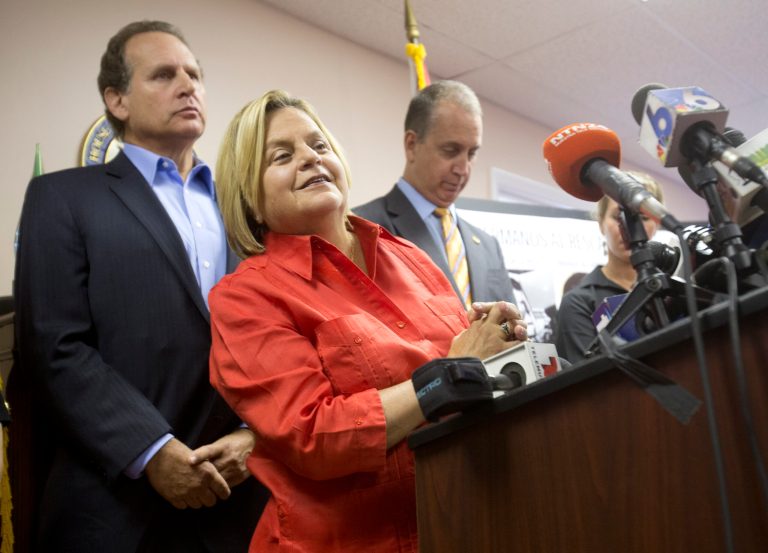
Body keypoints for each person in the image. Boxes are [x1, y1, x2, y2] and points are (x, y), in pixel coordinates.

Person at [210, 90, 528, 552]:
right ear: (250, 199)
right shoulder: (244, 297)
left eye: (319, 146)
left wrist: (495, 340)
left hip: (461, 522)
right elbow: (312, 434)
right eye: (282, 155)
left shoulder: (408, 255)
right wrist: (447, 377)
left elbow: (465, 362)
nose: (309, 159)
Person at [13, 20, 267, 552]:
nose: (187, 85)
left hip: (239, 504)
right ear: (117, 99)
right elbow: (54, 346)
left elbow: (274, 338)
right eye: (163, 75)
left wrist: (255, 434)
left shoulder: (246, 207)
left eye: (194, 74)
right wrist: (152, 450)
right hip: (114, 508)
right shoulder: (62, 198)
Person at [354, 80, 514, 308]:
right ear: (411, 145)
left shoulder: (488, 246)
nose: (463, 169)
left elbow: (512, 332)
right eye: (451, 151)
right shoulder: (362, 228)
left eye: (471, 154)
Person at [555, 173, 664, 363]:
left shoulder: (670, 289)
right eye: (619, 216)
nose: (631, 227)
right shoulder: (578, 303)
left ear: (656, 224)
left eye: (643, 217)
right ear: (601, 224)